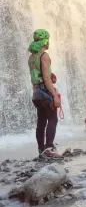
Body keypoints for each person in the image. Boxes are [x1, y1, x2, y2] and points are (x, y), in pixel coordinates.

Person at [28, 29, 61, 158]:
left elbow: (38, 75)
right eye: (48, 41)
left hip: (36, 91)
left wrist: (49, 77)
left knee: (41, 121)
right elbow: (46, 79)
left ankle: (41, 149)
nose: (49, 43)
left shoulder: (32, 57)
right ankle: (49, 147)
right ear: (45, 41)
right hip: (45, 91)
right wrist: (54, 95)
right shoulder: (44, 56)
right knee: (53, 118)